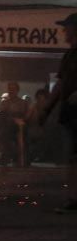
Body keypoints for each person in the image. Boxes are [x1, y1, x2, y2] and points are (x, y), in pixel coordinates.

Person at [43, 12, 77, 212]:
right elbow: (61, 83)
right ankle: (74, 198)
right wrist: (47, 108)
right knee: (73, 157)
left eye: (67, 27)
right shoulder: (70, 55)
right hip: (71, 113)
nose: (64, 31)